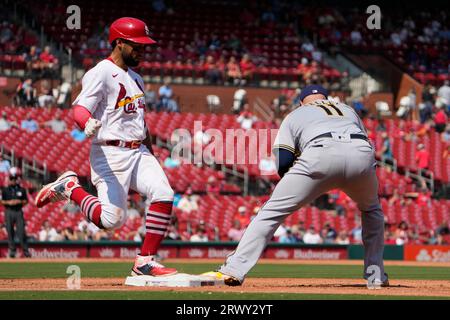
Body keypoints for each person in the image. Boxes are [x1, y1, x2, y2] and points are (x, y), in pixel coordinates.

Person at [203, 85, 389, 287]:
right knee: (372, 211)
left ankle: (233, 270)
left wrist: (300, 184)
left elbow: (283, 161)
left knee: (271, 212)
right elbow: (368, 143)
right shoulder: (347, 109)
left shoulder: (296, 114)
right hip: (361, 154)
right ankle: (375, 276)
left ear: (301, 101)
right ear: (326, 98)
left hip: (320, 153)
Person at [34, 17, 177, 277]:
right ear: (119, 43)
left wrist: (152, 157)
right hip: (109, 153)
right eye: (137, 45)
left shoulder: (136, 78)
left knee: (164, 193)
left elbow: (141, 125)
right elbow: (79, 107)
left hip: (138, 150)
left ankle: (144, 262)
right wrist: (85, 121)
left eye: (144, 46)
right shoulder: (101, 71)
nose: (142, 50)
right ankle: (71, 188)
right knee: (111, 221)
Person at [0, 173, 31, 258]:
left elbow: (26, 201)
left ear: (17, 180)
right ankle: (12, 250)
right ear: (9, 180)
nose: (13, 181)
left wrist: (19, 202)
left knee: (21, 231)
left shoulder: (22, 189)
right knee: (10, 231)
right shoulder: (5, 190)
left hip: (18, 211)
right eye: (12, 179)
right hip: (9, 211)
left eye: (14, 179)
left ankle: (26, 250)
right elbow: (2, 201)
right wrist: (9, 202)